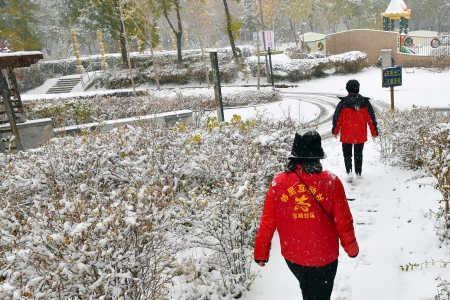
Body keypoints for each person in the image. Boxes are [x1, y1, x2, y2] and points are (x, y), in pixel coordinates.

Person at [254, 131, 359, 300]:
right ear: (318, 157)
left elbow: (267, 222)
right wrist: (351, 248)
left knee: (308, 289)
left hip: (294, 257)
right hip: (325, 257)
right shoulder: (331, 182)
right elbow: (343, 221)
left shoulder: (279, 183)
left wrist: (261, 253)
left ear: (294, 157)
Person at [332, 79, 378, 180]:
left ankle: (349, 173)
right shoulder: (365, 103)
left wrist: (335, 131)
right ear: (358, 88)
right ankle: (358, 173)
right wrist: (374, 132)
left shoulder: (343, 103)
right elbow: (371, 119)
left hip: (346, 135)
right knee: (358, 154)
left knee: (347, 155)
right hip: (360, 134)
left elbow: (337, 118)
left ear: (347, 89)